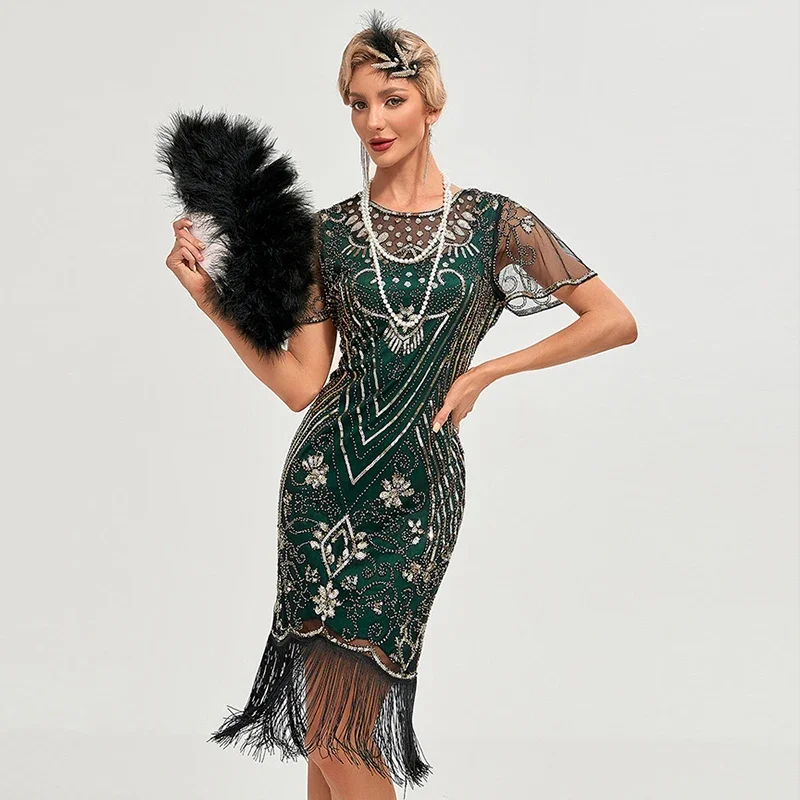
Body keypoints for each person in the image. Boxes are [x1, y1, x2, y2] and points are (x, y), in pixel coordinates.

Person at [163, 10, 637, 800]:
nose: (374, 121)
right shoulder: (330, 233)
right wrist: (211, 301)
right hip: (323, 482)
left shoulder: (495, 223)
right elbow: (302, 385)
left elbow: (613, 320)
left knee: (348, 723)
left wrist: (486, 373)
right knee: (327, 728)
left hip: (417, 487)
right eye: (358, 103)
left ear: (431, 106)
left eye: (392, 100)